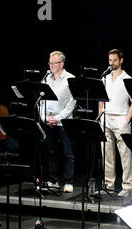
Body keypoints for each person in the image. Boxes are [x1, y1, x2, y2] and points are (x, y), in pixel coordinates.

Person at [99, 49, 132, 197]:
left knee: (125, 154)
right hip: (106, 118)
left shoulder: (127, 78)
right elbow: (100, 99)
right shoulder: (105, 78)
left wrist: (127, 119)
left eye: (114, 60)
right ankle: (108, 184)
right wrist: (100, 116)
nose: (112, 63)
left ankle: (127, 186)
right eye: (110, 60)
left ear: (121, 60)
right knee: (107, 154)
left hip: (121, 118)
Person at [39, 51, 76, 193]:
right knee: (50, 151)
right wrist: (44, 118)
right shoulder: (46, 79)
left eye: (53, 63)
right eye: (49, 63)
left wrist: (58, 118)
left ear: (62, 64)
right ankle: (53, 180)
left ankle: (69, 182)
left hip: (63, 121)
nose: (51, 66)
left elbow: (72, 103)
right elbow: (41, 101)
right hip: (48, 121)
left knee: (68, 152)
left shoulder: (70, 79)